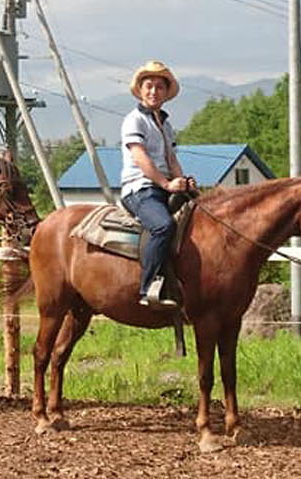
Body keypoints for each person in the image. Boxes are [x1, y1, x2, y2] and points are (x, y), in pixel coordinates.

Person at [119, 61, 194, 308]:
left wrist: (182, 182)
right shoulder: (134, 120)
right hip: (140, 189)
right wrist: (166, 183)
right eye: (149, 86)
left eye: (160, 87)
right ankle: (147, 286)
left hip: (163, 187)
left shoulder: (165, 124)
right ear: (140, 90)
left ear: (166, 93)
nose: (154, 92)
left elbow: (171, 159)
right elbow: (140, 158)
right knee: (163, 226)